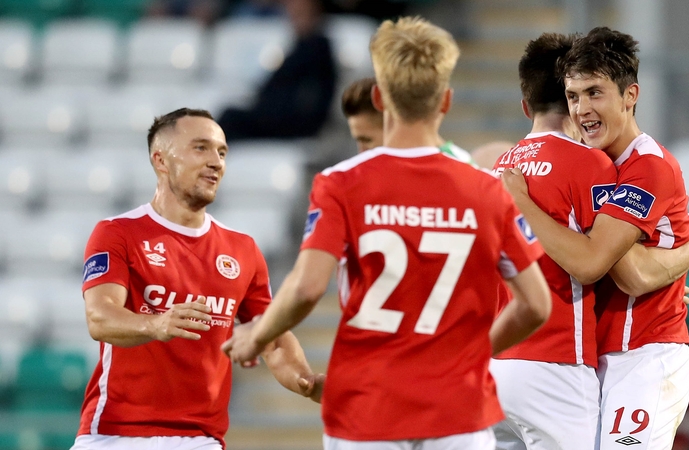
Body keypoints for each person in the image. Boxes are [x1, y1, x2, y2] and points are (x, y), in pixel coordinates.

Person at [223, 16, 552, 449]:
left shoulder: (340, 183)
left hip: (367, 407)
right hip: (458, 411)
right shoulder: (487, 189)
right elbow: (536, 304)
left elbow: (306, 288)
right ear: (446, 101)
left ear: (379, 97)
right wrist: (472, 354)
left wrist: (257, 334)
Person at [489, 33, 689, 450]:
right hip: (600, 358)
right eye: (573, 96)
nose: (583, 109)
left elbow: (630, 274)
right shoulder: (596, 165)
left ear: (631, 96)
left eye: (595, 93)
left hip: (644, 356)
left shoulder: (647, 166)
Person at [72, 108, 322, 450]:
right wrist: (156, 324)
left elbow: (272, 338)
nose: (216, 161)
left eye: (221, 152)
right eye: (201, 148)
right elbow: (100, 317)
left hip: (199, 440)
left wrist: (304, 379)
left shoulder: (242, 249)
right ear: (161, 160)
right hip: (115, 434)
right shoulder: (118, 233)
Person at [217, 0, 337, 140]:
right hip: (281, 116)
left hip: (291, 122)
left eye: (300, 14)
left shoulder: (316, 49)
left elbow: (311, 100)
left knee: (230, 119)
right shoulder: (303, 46)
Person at [340, 76, 477, 164]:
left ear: (393, 124)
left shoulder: (463, 167)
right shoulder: (359, 178)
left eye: (367, 140)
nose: (361, 151)